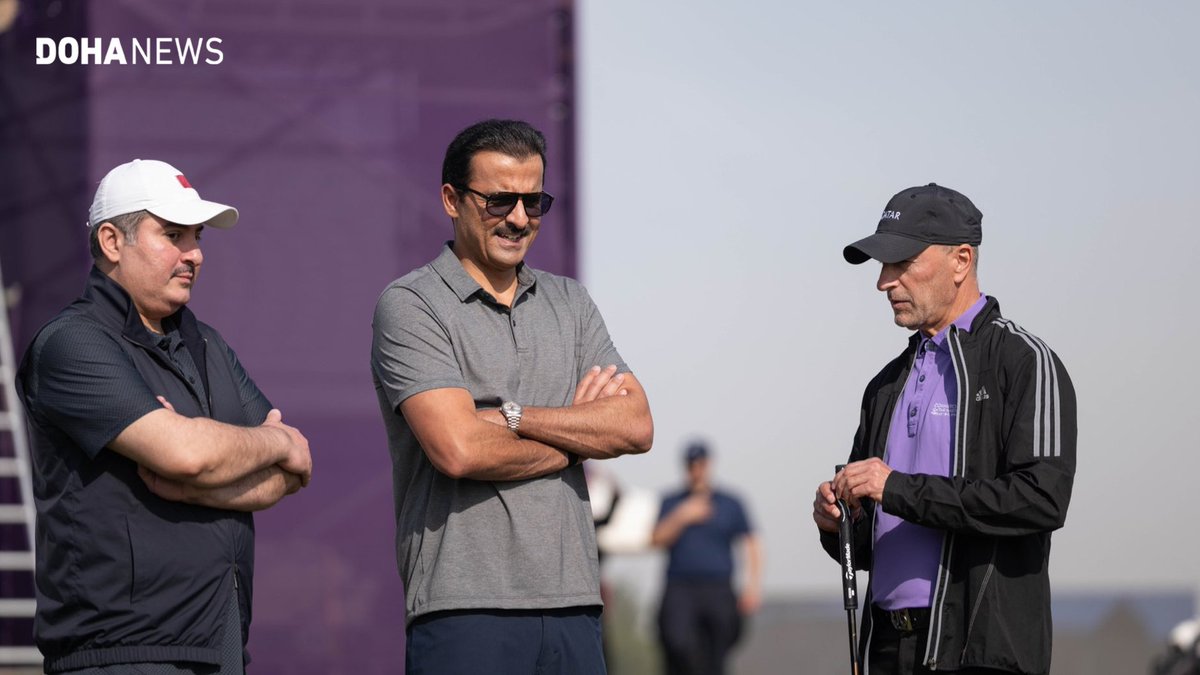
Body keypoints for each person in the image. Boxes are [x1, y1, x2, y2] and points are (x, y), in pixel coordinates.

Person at [370, 118, 654, 675]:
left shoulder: (571, 303)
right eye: (499, 201)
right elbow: (459, 449)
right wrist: (579, 436)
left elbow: (636, 425)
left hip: (575, 604)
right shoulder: (411, 305)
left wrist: (512, 417)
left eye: (534, 201)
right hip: (463, 609)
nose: (520, 218)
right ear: (451, 200)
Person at [16, 159, 312, 674]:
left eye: (197, 237)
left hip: (221, 646)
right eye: (173, 235)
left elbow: (294, 468)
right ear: (112, 242)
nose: (194, 254)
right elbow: (186, 454)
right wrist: (253, 445)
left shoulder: (209, 345)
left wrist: (213, 478)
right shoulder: (72, 342)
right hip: (122, 653)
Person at [811, 183, 1076, 675]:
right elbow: (868, 545)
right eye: (882, 266)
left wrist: (897, 488)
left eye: (901, 262)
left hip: (979, 651)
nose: (884, 282)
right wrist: (838, 523)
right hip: (886, 646)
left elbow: (1041, 499)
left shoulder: (1025, 362)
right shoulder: (884, 385)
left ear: (961, 260)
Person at [652, 441, 762, 675]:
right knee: (677, 642)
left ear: (709, 464)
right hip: (680, 588)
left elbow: (751, 544)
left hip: (719, 588)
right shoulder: (672, 502)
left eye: (700, 464)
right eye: (691, 465)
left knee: (717, 652)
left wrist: (752, 586)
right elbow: (656, 539)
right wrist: (683, 515)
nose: (696, 470)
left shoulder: (730, 503)